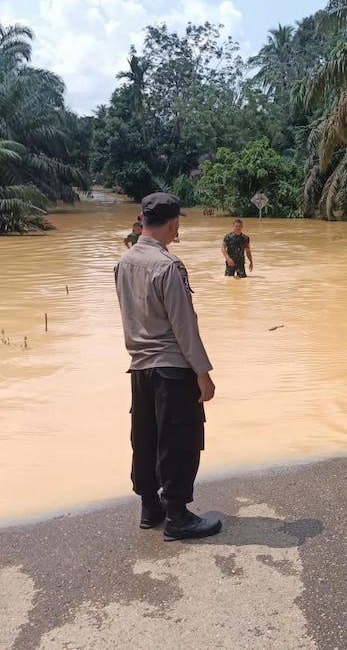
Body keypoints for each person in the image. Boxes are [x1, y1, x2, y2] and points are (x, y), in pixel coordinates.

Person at [114, 192, 222, 541]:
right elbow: (184, 325)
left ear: (142, 219)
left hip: (139, 369)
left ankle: (150, 507)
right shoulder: (169, 267)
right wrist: (202, 373)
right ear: (174, 224)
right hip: (172, 369)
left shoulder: (123, 263)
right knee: (179, 440)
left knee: (146, 438)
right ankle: (177, 515)